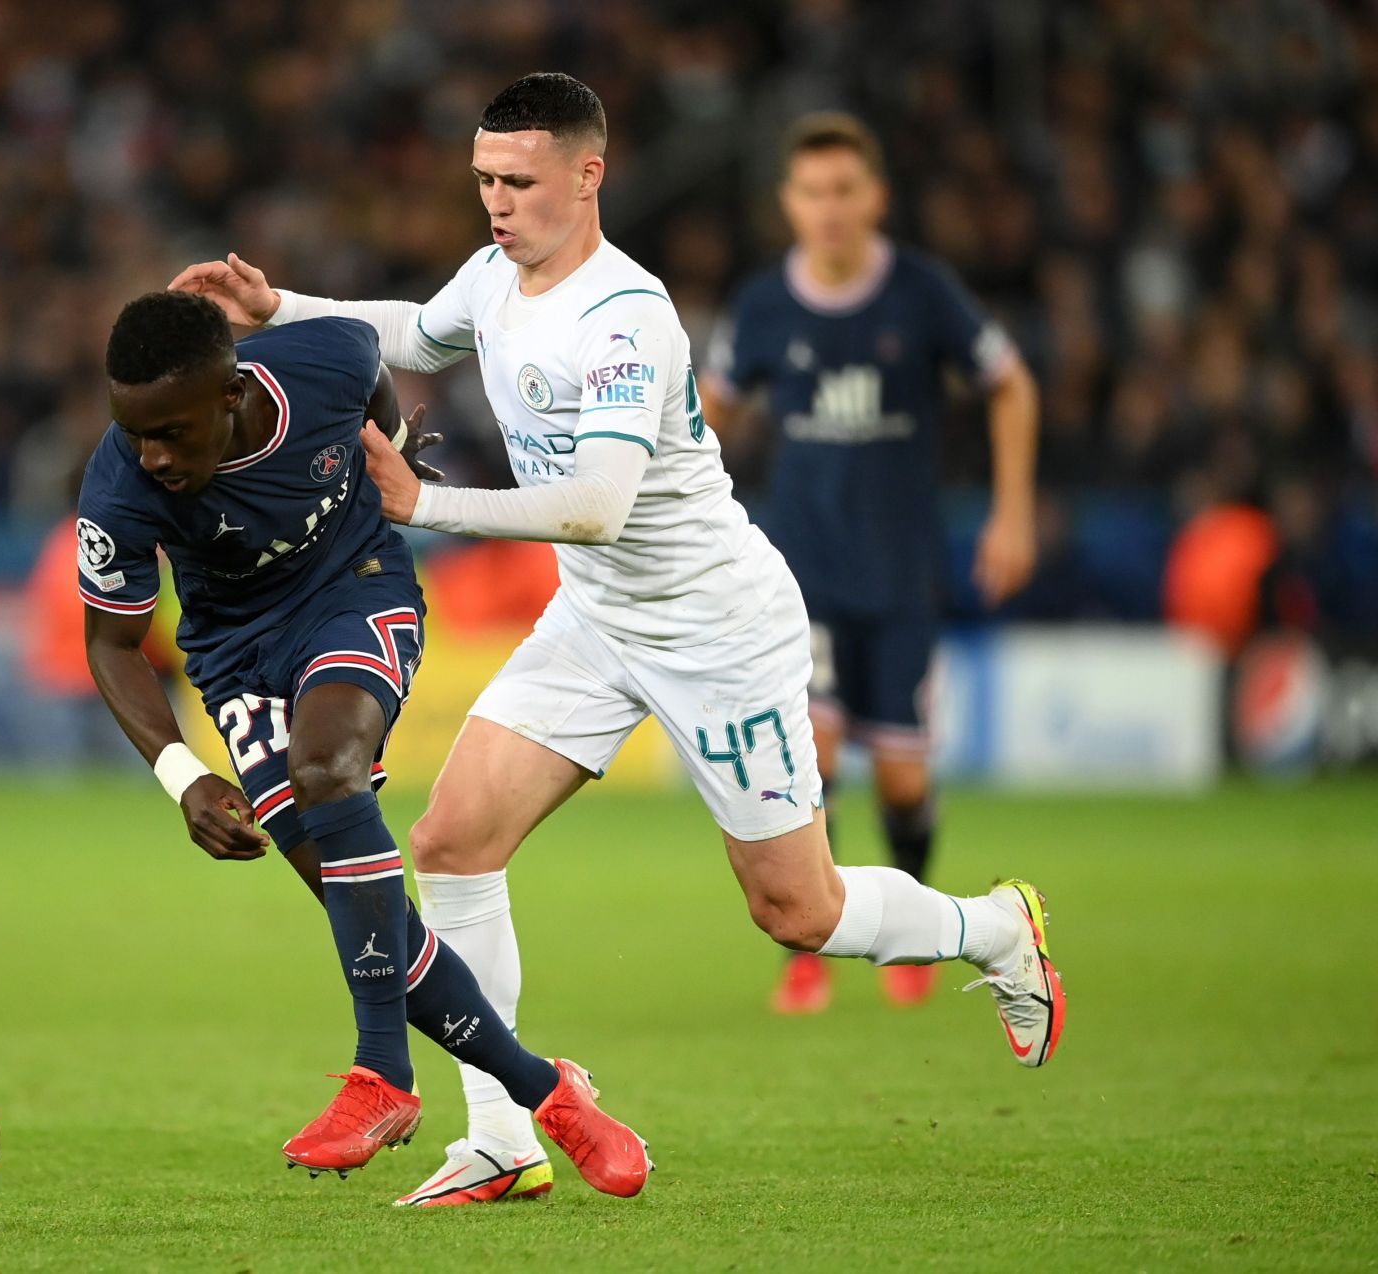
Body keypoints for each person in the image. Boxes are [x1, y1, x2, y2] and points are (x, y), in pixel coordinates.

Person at [173, 72, 1065, 1209]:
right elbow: (418, 331)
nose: (496, 202)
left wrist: (425, 504)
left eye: (520, 182)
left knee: (798, 909)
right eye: (484, 179)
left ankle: (994, 928)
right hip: (597, 616)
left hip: (714, 627)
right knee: (449, 842)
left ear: (590, 175)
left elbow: (598, 502)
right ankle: (500, 1134)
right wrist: (279, 306)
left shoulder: (626, 318)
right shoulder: (498, 273)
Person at [78, 290, 650, 1198]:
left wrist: (384, 455)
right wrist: (183, 775)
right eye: (134, 432)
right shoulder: (121, 484)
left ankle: (382, 1071)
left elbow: (372, 387)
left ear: (231, 393)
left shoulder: (327, 359)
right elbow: (110, 644)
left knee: (326, 770)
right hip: (235, 658)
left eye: (173, 434)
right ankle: (549, 1091)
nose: (152, 455)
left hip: (357, 588)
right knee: (368, 915)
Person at [701, 112, 1042, 1014]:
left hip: (899, 575)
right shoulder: (766, 305)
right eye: (813, 191)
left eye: (846, 189)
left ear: (875, 197)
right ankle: (807, 951)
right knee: (810, 751)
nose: (830, 208)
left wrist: (1011, 513)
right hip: (798, 576)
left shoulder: (922, 294)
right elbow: (712, 414)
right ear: (789, 203)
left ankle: (919, 926)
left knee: (902, 776)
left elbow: (1009, 382)